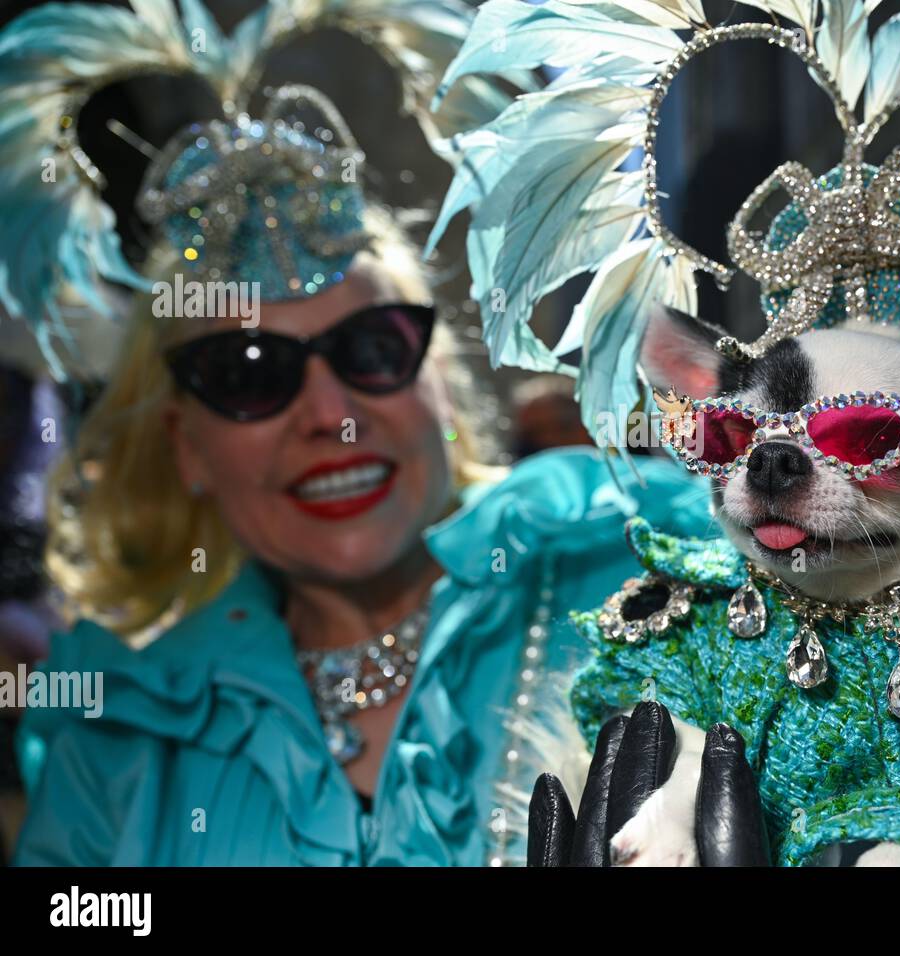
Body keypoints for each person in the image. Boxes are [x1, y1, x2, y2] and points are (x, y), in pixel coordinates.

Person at [1, 0, 708, 866]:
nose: (331, 416)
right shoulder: (122, 730)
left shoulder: (651, 567)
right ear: (184, 445)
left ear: (439, 383)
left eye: (371, 350)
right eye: (249, 374)